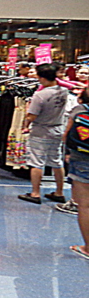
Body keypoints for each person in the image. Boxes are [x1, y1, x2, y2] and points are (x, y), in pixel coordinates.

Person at [18, 63, 68, 205]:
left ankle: (35, 193)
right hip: (58, 128)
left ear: (43, 78)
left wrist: (26, 122)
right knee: (56, 161)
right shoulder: (63, 91)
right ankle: (59, 192)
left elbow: (32, 116)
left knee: (36, 162)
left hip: (41, 131)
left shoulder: (40, 95)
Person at [62, 88, 89, 259]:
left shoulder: (79, 111)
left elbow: (67, 135)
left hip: (82, 159)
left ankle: (87, 248)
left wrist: (67, 153)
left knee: (85, 205)